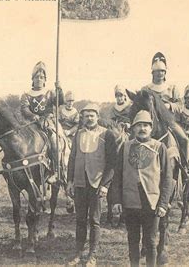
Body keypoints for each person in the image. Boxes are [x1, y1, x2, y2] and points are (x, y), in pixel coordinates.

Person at [111, 110, 172, 267]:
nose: (142, 129)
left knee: (151, 241)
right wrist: (116, 200)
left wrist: (163, 204)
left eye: (146, 125)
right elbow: (117, 176)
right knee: (132, 239)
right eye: (139, 126)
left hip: (151, 202)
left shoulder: (160, 147)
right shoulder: (125, 147)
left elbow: (167, 179)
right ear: (133, 129)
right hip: (130, 201)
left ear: (151, 129)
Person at [67, 103, 117, 266]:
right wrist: (70, 181)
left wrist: (105, 185)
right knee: (80, 219)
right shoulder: (78, 134)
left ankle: (92, 255)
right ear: (82, 118)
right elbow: (72, 159)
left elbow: (112, 163)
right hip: (80, 183)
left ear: (97, 116)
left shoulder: (106, 134)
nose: (89, 118)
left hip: (97, 184)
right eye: (86, 115)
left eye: (92, 115)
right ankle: (78, 253)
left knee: (94, 221)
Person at [142, 52, 189, 178]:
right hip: (150, 122)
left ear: (165, 72)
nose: (160, 74)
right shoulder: (146, 89)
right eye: (157, 71)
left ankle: (187, 167)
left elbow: (180, 105)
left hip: (169, 122)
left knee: (184, 139)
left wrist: (169, 106)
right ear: (152, 72)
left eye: (162, 71)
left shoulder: (172, 88)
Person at [21, 61, 65, 184]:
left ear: (45, 79)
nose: (39, 79)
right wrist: (33, 116)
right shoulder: (26, 94)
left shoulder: (50, 92)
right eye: (37, 77)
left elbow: (60, 101)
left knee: (55, 142)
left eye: (42, 77)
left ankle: (56, 171)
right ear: (32, 79)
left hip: (48, 121)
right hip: (32, 123)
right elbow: (24, 109)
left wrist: (59, 89)